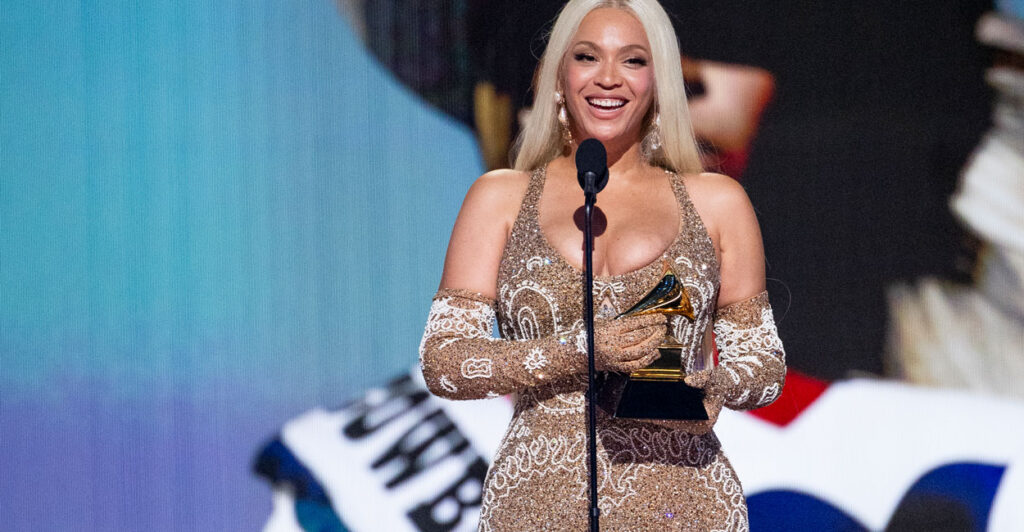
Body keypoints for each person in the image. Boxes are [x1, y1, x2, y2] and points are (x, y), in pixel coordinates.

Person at [418, 1, 785, 529]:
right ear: (556, 75)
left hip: (682, 505)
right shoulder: (500, 198)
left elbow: (764, 365)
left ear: (660, 80)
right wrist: (581, 351)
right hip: (536, 504)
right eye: (588, 57)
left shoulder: (717, 203)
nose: (608, 78)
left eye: (633, 61)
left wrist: (719, 387)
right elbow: (446, 361)